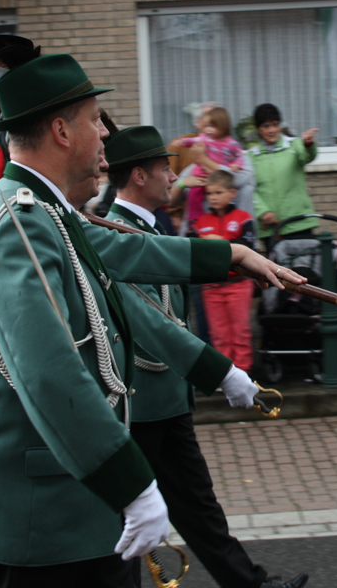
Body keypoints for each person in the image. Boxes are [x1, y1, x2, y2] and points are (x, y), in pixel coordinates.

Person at [0, 39, 298, 586]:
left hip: (64, 494)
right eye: (93, 120)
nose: (106, 132)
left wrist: (231, 254)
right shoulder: (20, 221)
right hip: (45, 503)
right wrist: (131, 484)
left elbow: (132, 249)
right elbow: (47, 370)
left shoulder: (45, 215)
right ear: (61, 131)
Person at [104, 127, 309, 588]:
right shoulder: (111, 233)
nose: (173, 174)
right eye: (163, 167)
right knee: (129, 523)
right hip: (138, 402)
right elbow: (149, 324)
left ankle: (252, 584)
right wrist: (224, 374)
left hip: (168, 399)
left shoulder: (152, 227)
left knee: (197, 508)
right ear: (138, 175)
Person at [191, 170, 257, 374]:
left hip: (238, 285)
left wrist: (220, 242)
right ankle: (227, 375)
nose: (214, 198)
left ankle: (244, 371)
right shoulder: (200, 223)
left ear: (232, 193)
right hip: (211, 287)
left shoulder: (243, 218)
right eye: (210, 194)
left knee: (240, 331)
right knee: (218, 334)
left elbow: (248, 246)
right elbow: (192, 251)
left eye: (219, 192)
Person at [247, 103, 318, 255]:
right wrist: (263, 212)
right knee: (279, 275)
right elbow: (249, 189)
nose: (272, 130)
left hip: (299, 223)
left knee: (305, 273)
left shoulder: (294, 145)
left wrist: (308, 144)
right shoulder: (251, 156)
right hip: (271, 229)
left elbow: (307, 156)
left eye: (275, 124)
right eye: (266, 126)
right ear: (259, 130)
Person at [173, 106, 245, 227]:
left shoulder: (231, 143)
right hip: (203, 173)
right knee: (194, 192)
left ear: (222, 126)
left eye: (211, 126)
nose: (207, 130)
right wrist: (183, 142)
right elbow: (193, 140)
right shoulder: (205, 139)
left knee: (223, 194)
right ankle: (195, 217)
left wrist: (237, 164)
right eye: (205, 126)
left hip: (220, 176)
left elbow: (239, 154)